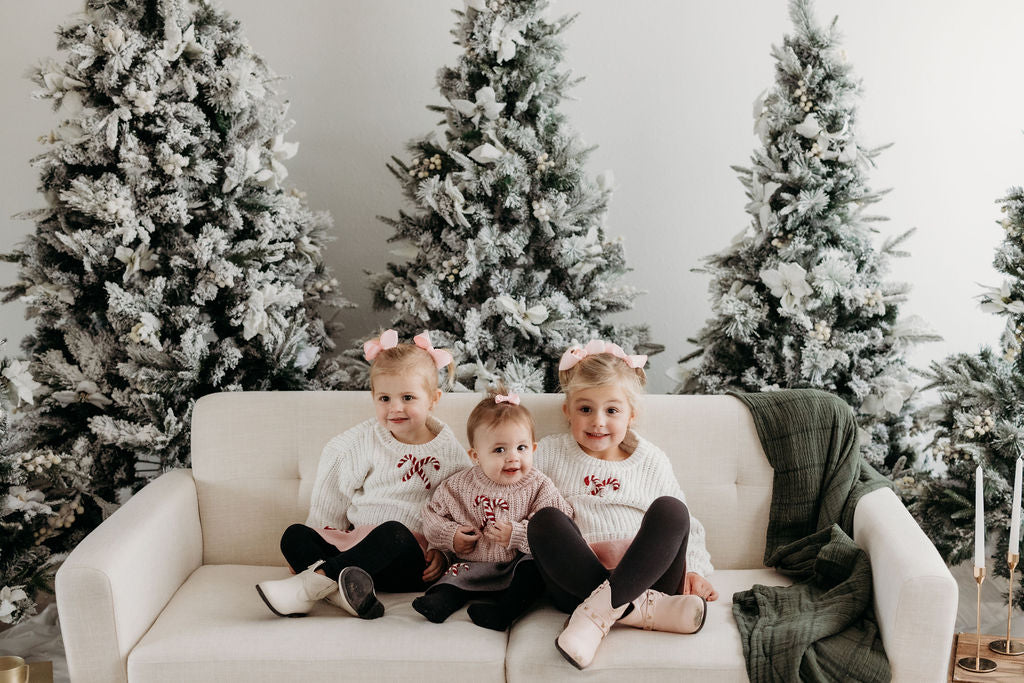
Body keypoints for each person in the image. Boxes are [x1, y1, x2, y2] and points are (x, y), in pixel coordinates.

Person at [255, 329, 471, 619]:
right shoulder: (361, 442)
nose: (395, 408)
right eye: (384, 398)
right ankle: (348, 594)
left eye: (408, 397)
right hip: (354, 547)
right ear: (373, 397)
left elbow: (461, 511)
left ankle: (311, 585)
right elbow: (332, 494)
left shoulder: (450, 454)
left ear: (433, 398)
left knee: (394, 532)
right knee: (294, 536)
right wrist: (319, 534)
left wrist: (443, 553)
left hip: (406, 559)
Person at [528, 339, 717, 669]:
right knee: (544, 519)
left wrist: (697, 569)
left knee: (672, 510)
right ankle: (641, 610)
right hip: (576, 579)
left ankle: (596, 617)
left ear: (631, 415)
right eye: (585, 409)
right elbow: (519, 500)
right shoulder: (550, 452)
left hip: (648, 575)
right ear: (567, 411)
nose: (598, 421)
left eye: (611, 410)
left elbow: (691, 527)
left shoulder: (650, 460)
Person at [412, 390, 572, 631]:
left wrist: (517, 534)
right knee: (453, 577)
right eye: (499, 450)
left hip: (516, 566)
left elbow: (560, 528)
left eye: (521, 447)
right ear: (476, 456)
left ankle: (504, 612)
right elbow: (431, 515)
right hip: (472, 564)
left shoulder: (538, 484)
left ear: (534, 448)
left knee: (533, 571)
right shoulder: (458, 485)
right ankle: (440, 603)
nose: (512, 458)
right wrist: (451, 535)